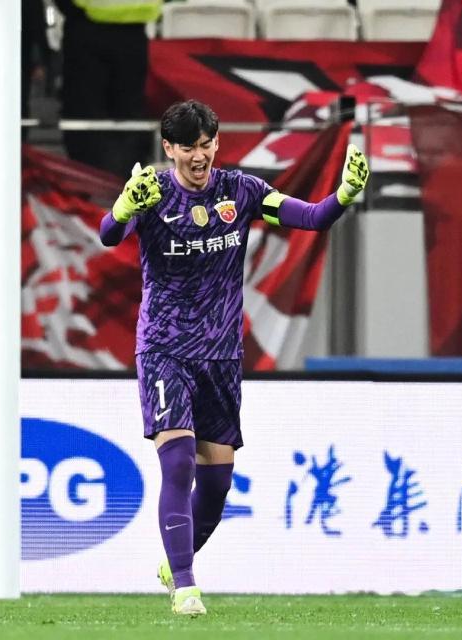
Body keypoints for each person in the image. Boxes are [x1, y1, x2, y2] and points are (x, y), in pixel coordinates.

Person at [98, 100, 369, 615]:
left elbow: (311, 218)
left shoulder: (241, 192)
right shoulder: (152, 192)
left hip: (220, 355)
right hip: (165, 348)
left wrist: (344, 195)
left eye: (207, 145)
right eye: (188, 147)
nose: (199, 156)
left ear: (216, 143)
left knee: (217, 485)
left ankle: (175, 561)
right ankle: (185, 587)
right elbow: (108, 234)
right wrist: (125, 207)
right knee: (177, 460)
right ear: (169, 148)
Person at [51, 0, 161, 176]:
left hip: (86, 25)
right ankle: (123, 176)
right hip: (132, 27)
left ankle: (88, 178)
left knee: (85, 113)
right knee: (128, 111)